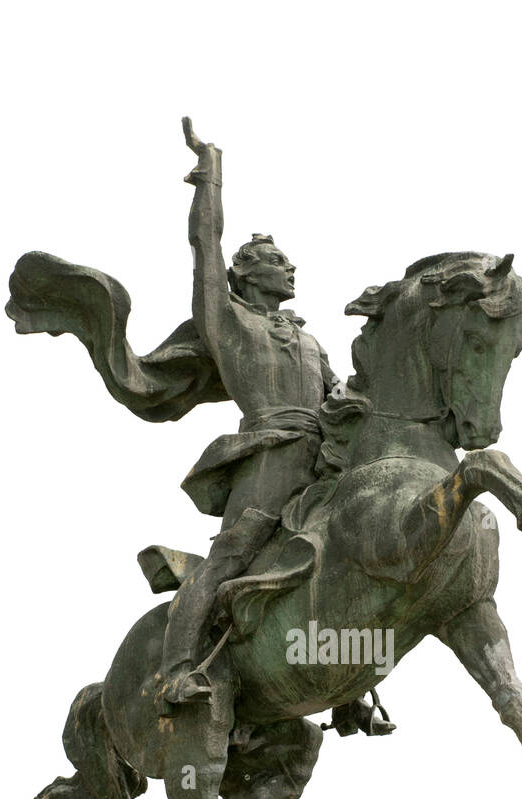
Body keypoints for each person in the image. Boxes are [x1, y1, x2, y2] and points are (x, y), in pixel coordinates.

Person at [160, 118, 341, 704]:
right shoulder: (230, 321)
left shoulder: (310, 340)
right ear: (244, 273)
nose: (291, 269)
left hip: (324, 457)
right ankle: (177, 670)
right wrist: (209, 178)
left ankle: (349, 685)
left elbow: (340, 400)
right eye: (277, 261)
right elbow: (205, 248)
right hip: (269, 455)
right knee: (231, 557)